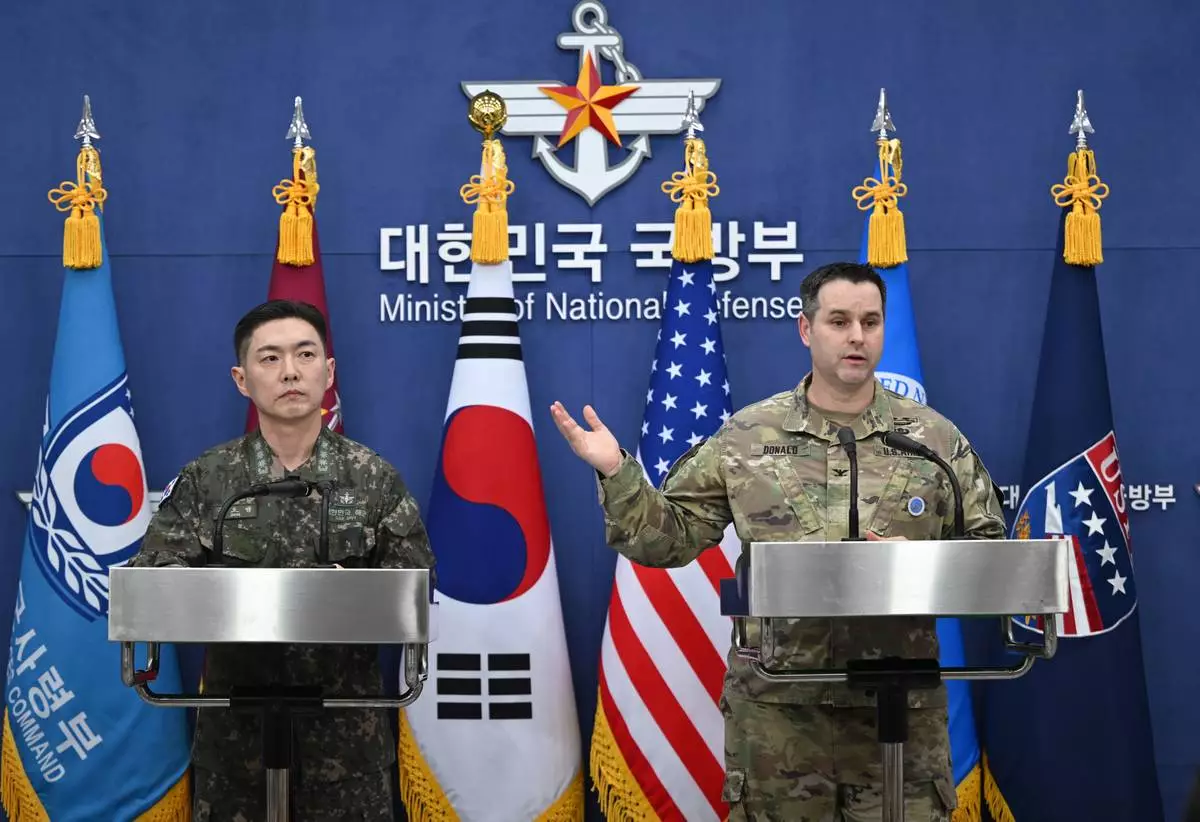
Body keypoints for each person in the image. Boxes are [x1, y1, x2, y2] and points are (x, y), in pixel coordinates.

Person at [550, 262, 1006, 821]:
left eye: (870, 322)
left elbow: (990, 553)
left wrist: (919, 565)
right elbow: (668, 540)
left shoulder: (932, 438)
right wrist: (617, 471)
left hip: (897, 715)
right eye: (839, 321)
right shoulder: (748, 436)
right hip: (779, 720)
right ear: (805, 329)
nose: (857, 336)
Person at [131, 299, 435, 822]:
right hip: (236, 747)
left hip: (347, 749)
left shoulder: (372, 477)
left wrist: (344, 592)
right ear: (241, 379)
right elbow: (156, 575)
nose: (290, 371)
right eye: (270, 358)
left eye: (305, 354)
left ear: (329, 372)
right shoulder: (209, 478)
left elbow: (416, 582)